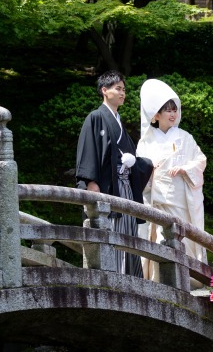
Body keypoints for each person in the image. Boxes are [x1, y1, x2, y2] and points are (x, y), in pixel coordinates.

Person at [75, 70, 153, 278]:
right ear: (104, 91)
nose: (122, 93)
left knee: (128, 234)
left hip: (125, 188)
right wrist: (92, 183)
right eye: (118, 88)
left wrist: (137, 163)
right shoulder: (96, 118)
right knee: (111, 233)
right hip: (108, 188)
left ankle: (131, 281)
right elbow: (88, 151)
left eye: (124, 89)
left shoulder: (119, 123)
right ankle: (112, 278)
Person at [136, 79, 207, 282]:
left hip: (182, 200)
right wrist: (149, 168)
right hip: (157, 200)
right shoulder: (146, 140)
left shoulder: (185, 138)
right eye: (167, 110)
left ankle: (189, 279)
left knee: (183, 237)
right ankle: (160, 281)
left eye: (174, 109)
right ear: (156, 115)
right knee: (160, 238)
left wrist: (185, 168)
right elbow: (139, 170)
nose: (172, 114)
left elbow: (200, 160)